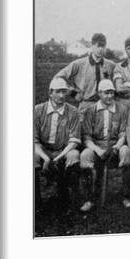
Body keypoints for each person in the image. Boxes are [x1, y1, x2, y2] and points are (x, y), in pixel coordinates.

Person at [80, 79, 130, 211]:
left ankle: (125, 196)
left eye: (111, 93)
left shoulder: (122, 109)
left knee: (126, 152)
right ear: (99, 93)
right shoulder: (91, 111)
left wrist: (116, 147)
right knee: (85, 156)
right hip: (96, 146)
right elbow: (86, 136)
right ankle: (89, 199)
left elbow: (123, 133)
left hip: (116, 145)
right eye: (106, 93)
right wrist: (97, 150)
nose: (109, 96)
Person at [34, 78, 81, 211]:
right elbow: (33, 140)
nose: (61, 96)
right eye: (58, 92)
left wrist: (58, 157)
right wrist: (46, 158)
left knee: (74, 156)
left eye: (64, 92)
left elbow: (74, 140)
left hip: (63, 149)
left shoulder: (73, 111)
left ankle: (68, 201)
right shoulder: (37, 110)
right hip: (43, 150)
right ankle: (36, 203)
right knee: (31, 157)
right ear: (50, 92)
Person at [55, 33, 115, 113]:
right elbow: (58, 78)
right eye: (98, 46)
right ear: (92, 46)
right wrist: (73, 93)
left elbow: (119, 82)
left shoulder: (111, 65)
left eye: (103, 46)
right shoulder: (79, 64)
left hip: (106, 106)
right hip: (86, 105)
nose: (100, 49)